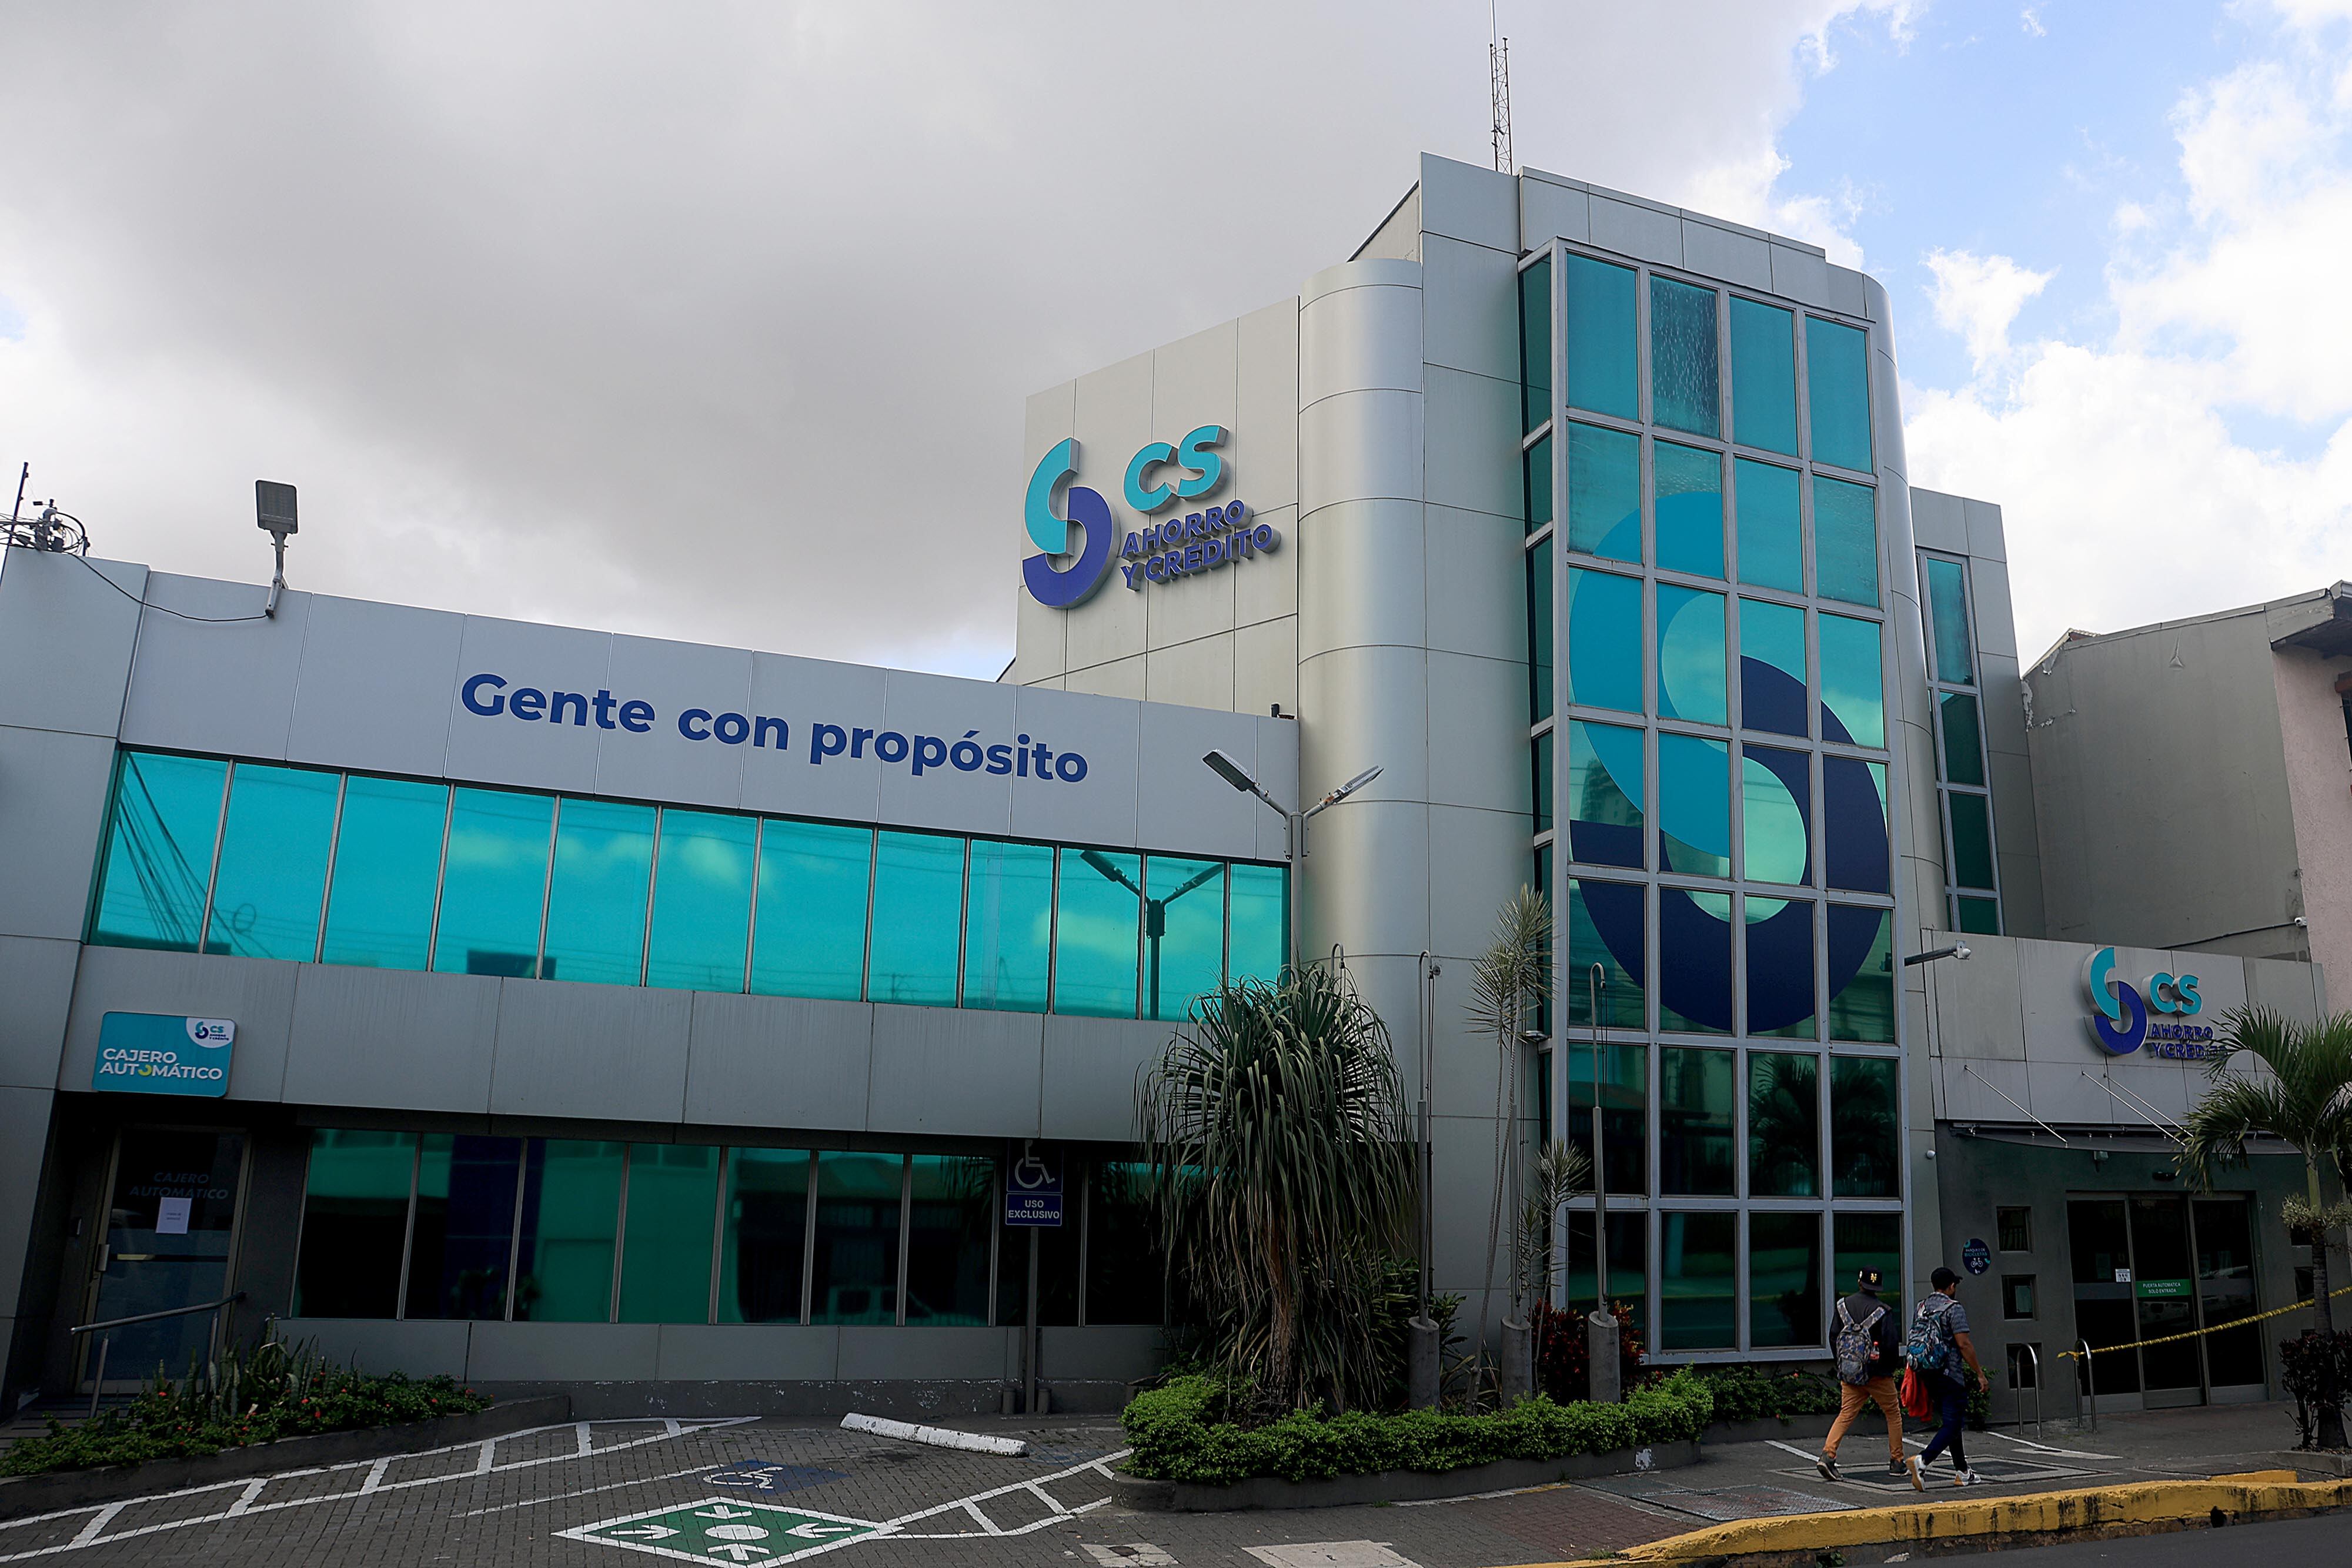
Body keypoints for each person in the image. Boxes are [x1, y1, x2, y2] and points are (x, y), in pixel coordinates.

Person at [1816, 1265, 1904, 1482]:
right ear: (1878, 1288)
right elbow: (1891, 1345)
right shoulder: (1883, 1311)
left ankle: (1828, 1455)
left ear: (1859, 1282)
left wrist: (1845, 1365)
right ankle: (1897, 1461)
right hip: (1878, 1375)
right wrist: (1888, 1369)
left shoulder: (1842, 1306)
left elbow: (1834, 1337)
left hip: (1850, 1373)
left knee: (1846, 1414)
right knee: (1893, 1413)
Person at [1906, 1265, 1989, 1489]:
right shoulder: (1954, 1309)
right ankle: (1922, 1461)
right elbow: (1964, 1344)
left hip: (1927, 1373)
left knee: (1953, 1423)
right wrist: (1979, 1374)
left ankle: (1963, 1472)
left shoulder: (1921, 1307)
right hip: (1949, 1373)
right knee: (1953, 1425)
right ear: (1951, 1287)